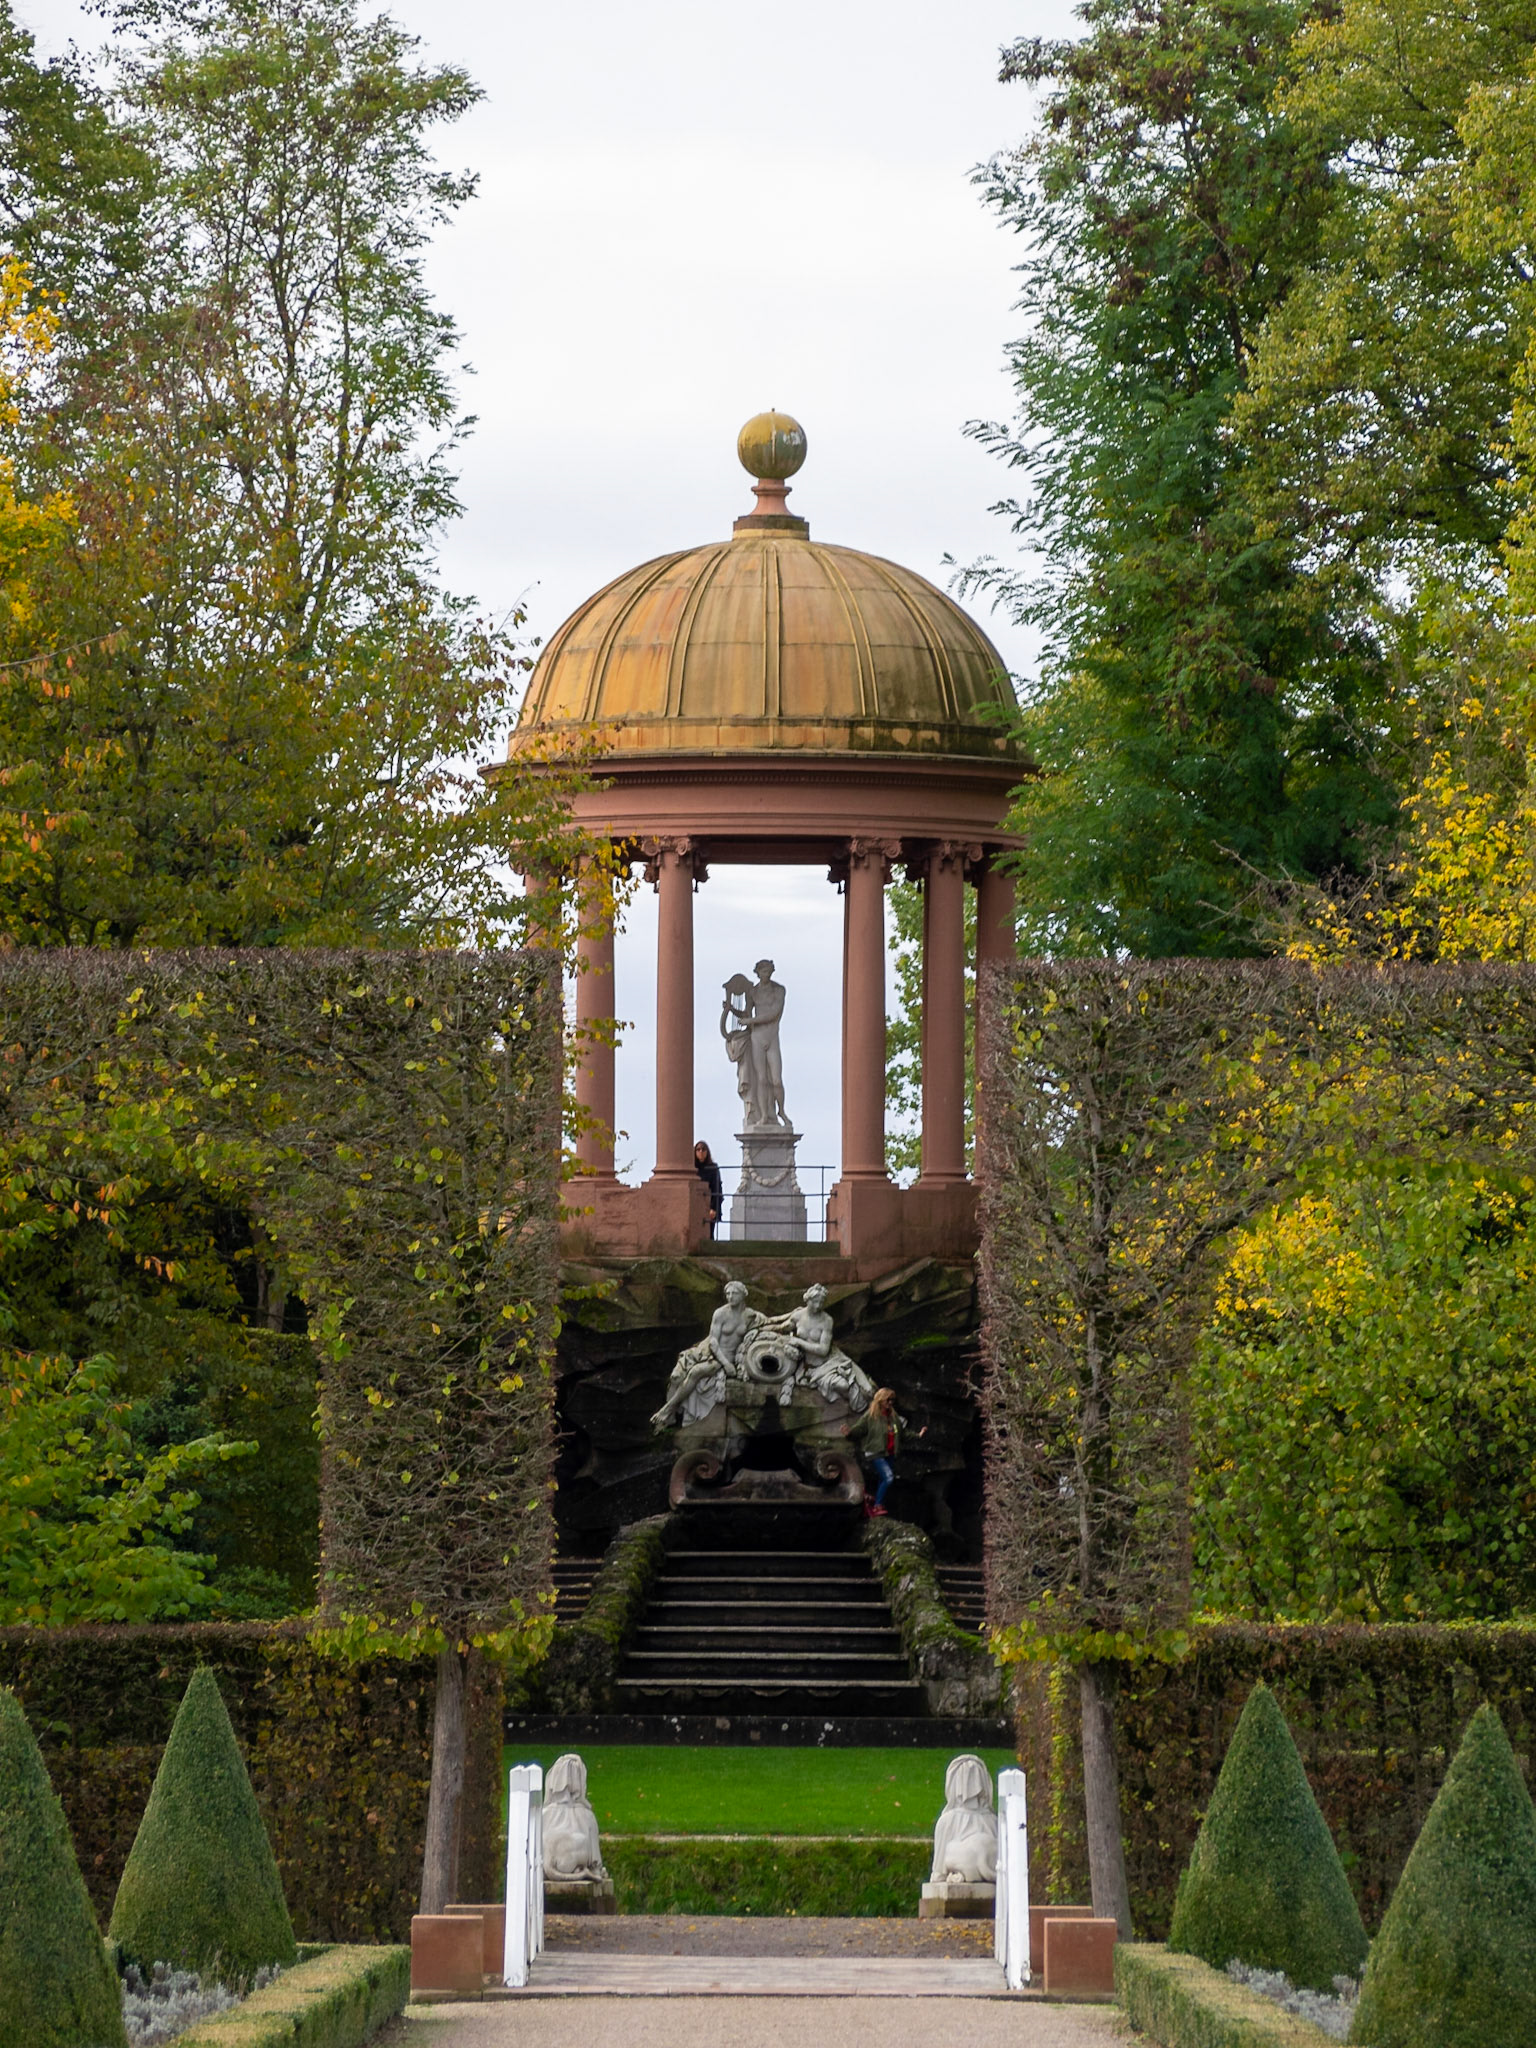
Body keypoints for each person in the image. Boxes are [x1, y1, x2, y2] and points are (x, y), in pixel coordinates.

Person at [858, 1386, 918, 1517]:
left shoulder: (893, 1417)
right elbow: (859, 1429)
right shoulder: (872, 1416)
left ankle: (873, 1502)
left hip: (889, 1453)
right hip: (876, 1452)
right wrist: (848, 1434)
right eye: (888, 1400)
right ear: (880, 1400)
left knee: (883, 1478)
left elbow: (903, 1433)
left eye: (892, 1400)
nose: (890, 1403)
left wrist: (918, 1435)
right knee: (888, 1478)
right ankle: (878, 1505)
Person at [694, 1139, 724, 1237]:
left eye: (703, 1149)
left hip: (710, 1205)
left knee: (710, 1233)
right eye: (698, 1150)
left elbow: (717, 1189)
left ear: (707, 1152)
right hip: (697, 1204)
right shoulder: (693, 1169)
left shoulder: (713, 1168)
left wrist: (714, 1208)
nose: (701, 1152)